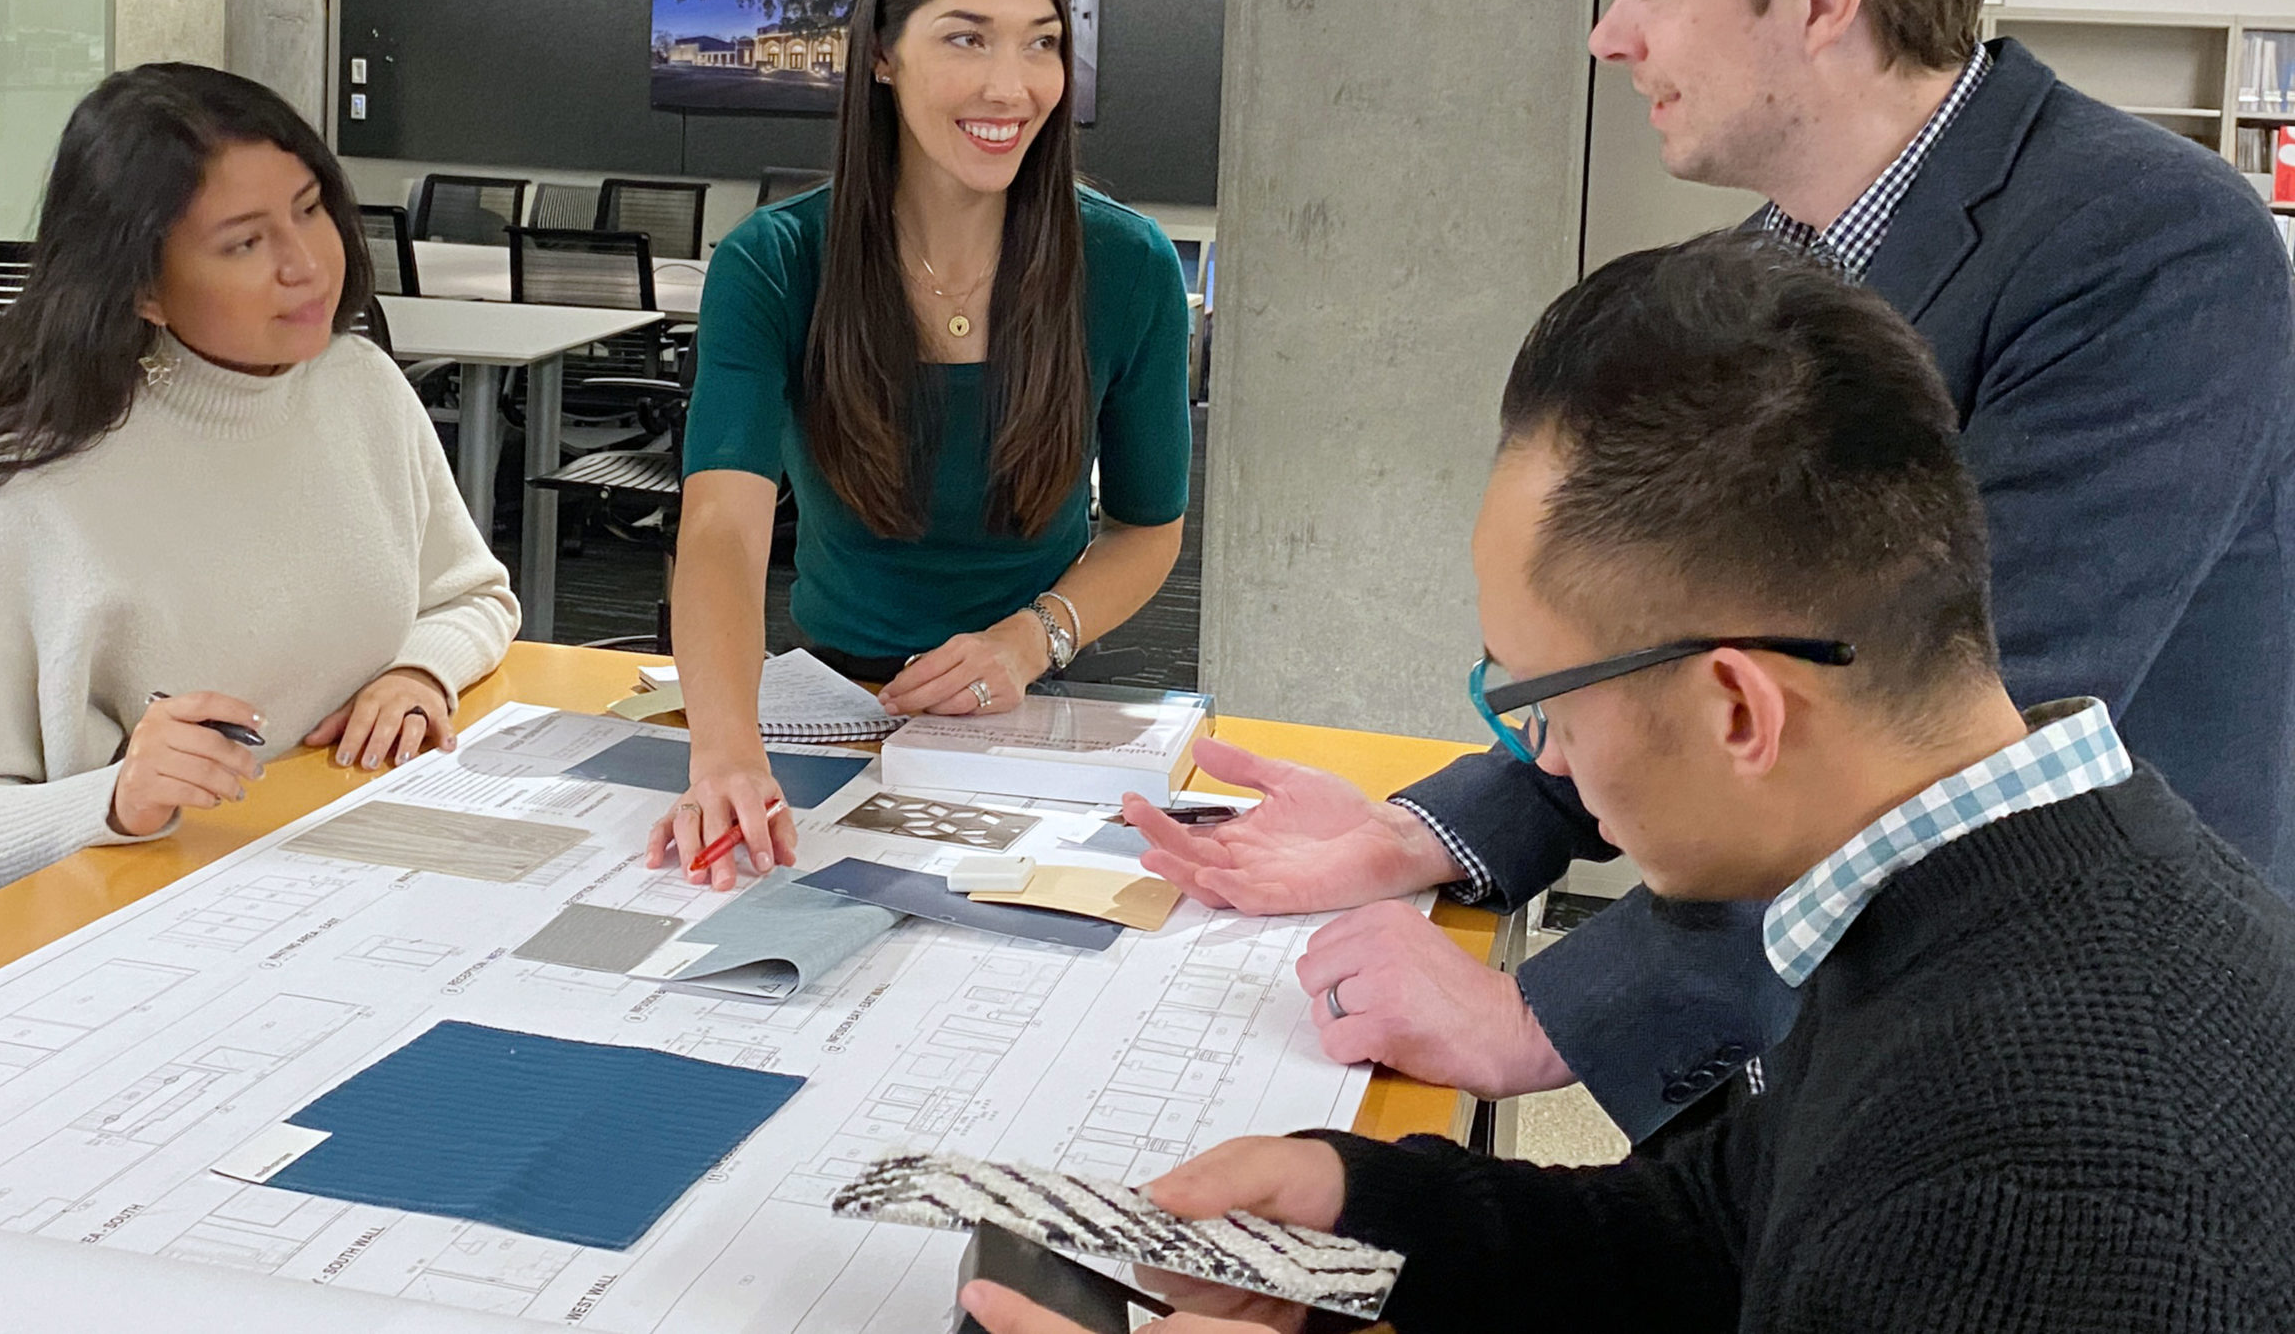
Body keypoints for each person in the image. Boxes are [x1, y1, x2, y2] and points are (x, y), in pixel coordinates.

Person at [1129, 0, 2295, 1139]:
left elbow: (1931, 742)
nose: (1608, 34)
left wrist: (1541, 1011)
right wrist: (1421, 834)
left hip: (2079, 1060)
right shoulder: (1764, 269)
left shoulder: (2151, 246)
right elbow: (1646, 646)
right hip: (1849, 1030)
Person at [970, 235, 2295, 1334]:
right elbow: (1713, 1238)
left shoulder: (2056, 1187)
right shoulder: (1960, 892)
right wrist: (1366, 1206)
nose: (1541, 757)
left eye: (1537, 700)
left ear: (1736, 705)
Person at [0, 64, 520, 923]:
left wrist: (417, 672)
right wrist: (112, 798)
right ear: (142, 286)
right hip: (86, 937)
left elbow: (472, 595)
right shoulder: (18, 496)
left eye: (310, 206)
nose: (305, 263)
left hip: (296, 888)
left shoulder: (359, 386)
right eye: (244, 242)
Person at [647, 0, 1192, 890]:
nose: (1010, 84)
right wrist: (723, 753)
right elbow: (721, 528)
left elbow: (1149, 529)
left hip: (1032, 700)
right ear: (883, 55)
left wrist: (1029, 640)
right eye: (965, 39)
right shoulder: (775, 262)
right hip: (826, 698)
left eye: (1040, 45)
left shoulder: (1128, 264)